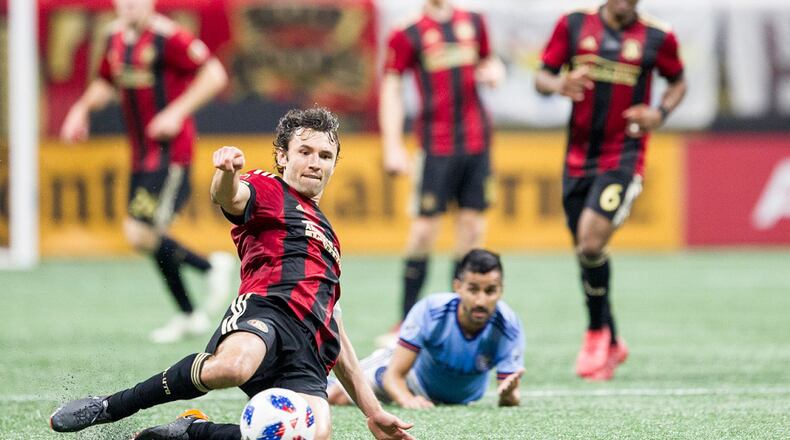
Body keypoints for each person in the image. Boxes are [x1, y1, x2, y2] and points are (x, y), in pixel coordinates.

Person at [50, 108, 414, 440]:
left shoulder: (330, 239)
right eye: (305, 152)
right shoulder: (270, 188)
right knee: (234, 367)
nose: (315, 162)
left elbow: (335, 328)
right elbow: (231, 197)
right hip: (268, 311)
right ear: (283, 157)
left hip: (310, 351)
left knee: (311, 435)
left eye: (325, 155)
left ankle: (193, 432)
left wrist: (374, 412)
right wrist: (226, 174)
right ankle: (111, 406)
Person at [59, 0, 234, 343]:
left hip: (171, 154)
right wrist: (79, 110)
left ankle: (211, 267)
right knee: (151, 236)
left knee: (140, 232)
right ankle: (190, 312)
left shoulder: (169, 37)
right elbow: (106, 83)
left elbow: (215, 75)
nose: (128, 6)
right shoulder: (113, 37)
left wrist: (176, 112)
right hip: (140, 155)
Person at [535, 0, 687, 380]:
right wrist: (559, 84)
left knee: (590, 241)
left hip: (624, 156)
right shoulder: (573, 25)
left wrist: (660, 114)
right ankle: (613, 341)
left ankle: (594, 334)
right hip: (576, 159)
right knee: (588, 253)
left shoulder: (658, 36)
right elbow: (541, 78)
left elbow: (679, 81)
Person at [377, 0, 505, 347]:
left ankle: (458, 320)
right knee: (422, 232)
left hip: (477, 143)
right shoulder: (407, 32)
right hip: (435, 147)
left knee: (472, 230)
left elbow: (489, 60)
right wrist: (392, 144)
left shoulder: (474, 22)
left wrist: (494, 69)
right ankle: (405, 320)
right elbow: (391, 88)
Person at [329, 249, 524, 408]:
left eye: (490, 291)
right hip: (412, 379)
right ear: (458, 287)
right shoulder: (432, 312)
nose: (481, 300)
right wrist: (407, 399)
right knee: (335, 395)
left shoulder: (508, 326)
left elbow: (510, 397)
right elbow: (394, 376)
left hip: (461, 399)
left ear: (501, 290)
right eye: (473, 290)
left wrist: (508, 395)